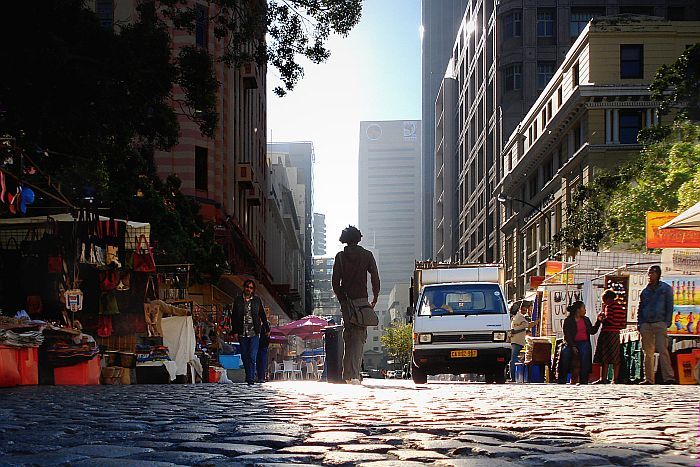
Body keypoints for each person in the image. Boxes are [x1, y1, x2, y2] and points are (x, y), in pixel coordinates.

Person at [332, 225, 380, 385]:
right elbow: (375, 277)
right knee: (359, 338)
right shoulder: (367, 255)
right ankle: (354, 375)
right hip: (361, 301)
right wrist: (375, 297)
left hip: (346, 301)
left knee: (349, 336)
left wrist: (341, 299)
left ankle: (347, 374)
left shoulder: (339, 257)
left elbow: (335, 281)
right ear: (358, 238)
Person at [638, 265, 676, 384]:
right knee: (648, 353)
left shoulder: (665, 289)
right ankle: (649, 378)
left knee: (662, 350)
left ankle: (668, 377)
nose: (650, 275)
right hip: (646, 324)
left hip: (660, 323)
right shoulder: (645, 291)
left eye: (652, 273)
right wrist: (640, 323)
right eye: (649, 273)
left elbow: (669, 306)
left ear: (658, 274)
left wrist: (667, 322)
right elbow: (640, 307)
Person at [231, 279, 268, 386]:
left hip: (254, 332)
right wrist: (234, 331)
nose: (249, 289)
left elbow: (262, 314)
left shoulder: (257, 300)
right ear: (244, 287)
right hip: (242, 332)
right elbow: (234, 316)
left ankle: (251, 378)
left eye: (251, 288)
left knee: (252, 355)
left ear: (253, 290)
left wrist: (267, 328)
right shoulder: (238, 300)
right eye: (247, 287)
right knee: (244, 355)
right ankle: (249, 375)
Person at [557, 301, 602, 384]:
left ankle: (584, 379)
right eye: (583, 308)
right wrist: (573, 346)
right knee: (565, 353)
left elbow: (592, 331)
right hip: (571, 343)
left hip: (583, 342)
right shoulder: (568, 320)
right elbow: (567, 335)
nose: (585, 310)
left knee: (585, 353)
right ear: (578, 310)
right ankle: (562, 378)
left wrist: (598, 321)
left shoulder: (586, 320)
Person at [592, 289, 626, 384]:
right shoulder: (620, 307)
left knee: (605, 357)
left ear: (607, 299)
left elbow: (608, 320)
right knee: (615, 357)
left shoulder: (609, 307)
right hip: (616, 333)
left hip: (607, 333)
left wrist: (601, 319)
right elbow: (622, 323)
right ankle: (615, 379)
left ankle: (603, 378)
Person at [509, 301, 536, 382]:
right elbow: (525, 325)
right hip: (517, 340)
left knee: (513, 358)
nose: (525, 312)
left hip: (516, 340)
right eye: (524, 310)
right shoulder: (519, 316)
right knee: (513, 359)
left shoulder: (517, 316)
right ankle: (514, 376)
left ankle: (514, 376)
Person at [256, 312, 271, 383]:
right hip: (258, 346)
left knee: (262, 362)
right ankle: (259, 377)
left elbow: (266, 335)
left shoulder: (266, 324)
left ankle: (261, 377)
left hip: (263, 346)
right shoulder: (257, 324)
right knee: (258, 362)